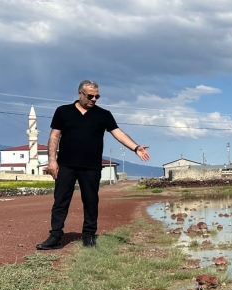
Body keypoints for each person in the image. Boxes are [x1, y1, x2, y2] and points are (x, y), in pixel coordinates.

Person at [36, 80, 150, 250]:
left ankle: (89, 236)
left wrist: (135, 147)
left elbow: (118, 133)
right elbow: (54, 136)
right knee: (60, 201)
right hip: (66, 165)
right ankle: (55, 236)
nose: (94, 99)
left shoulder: (103, 114)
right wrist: (52, 161)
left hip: (91, 167)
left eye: (97, 96)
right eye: (90, 96)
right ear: (80, 93)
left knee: (90, 201)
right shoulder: (63, 111)